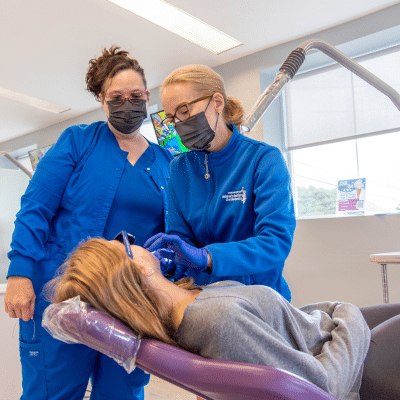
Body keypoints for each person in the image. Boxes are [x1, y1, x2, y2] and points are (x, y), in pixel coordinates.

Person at [3, 46, 173, 400]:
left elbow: (174, 234)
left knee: (121, 393)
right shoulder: (76, 142)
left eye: (136, 96)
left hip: (131, 302)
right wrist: (19, 272)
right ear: (102, 99)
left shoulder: (166, 162)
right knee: (52, 392)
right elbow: (35, 208)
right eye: (117, 97)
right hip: (63, 292)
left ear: (147, 96)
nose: (128, 103)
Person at [46, 236, 400, 400]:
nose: (138, 242)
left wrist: (338, 314)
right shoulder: (215, 320)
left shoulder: (194, 300)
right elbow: (323, 388)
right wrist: (348, 312)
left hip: (337, 336)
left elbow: (289, 325)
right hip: (358, 364)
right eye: (126, 241)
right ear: (135, 268)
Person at [144, 64, 296, 301]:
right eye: (172, 118)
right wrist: (171, 261)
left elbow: (274, 242)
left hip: (260, 301)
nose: (179, 124)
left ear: (217, 102)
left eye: (184, 111)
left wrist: (207, 257)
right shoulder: (179, 168)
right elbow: (181, 236)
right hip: (205, 300)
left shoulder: (263, 159)